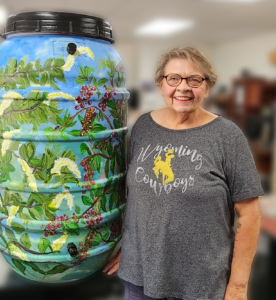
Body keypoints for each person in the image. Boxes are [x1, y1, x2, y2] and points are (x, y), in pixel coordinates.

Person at [103, 46, 264, 300]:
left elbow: (250, 214)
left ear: (207, 86)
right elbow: (133, 196)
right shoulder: (143, 127)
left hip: (200, 285)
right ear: (160, 84)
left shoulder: (226, 136)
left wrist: (237, 287)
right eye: (174, 78)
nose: (183, 87)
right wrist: (131, 247)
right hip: (140, 278)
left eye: (194, 79)